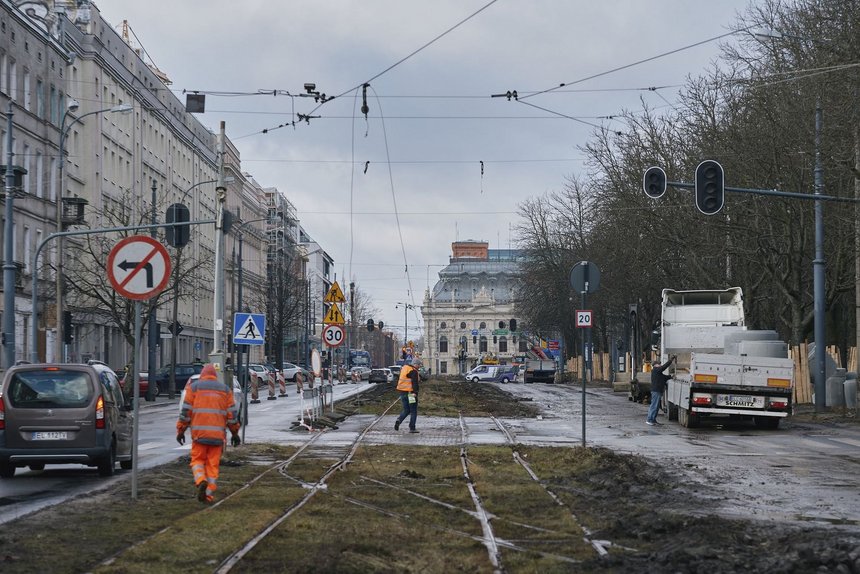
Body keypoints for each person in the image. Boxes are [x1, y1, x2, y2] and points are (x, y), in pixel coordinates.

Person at [176, 363, 241, 503]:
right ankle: (208, 494)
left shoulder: (193, 388)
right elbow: (232, 416)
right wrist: (235, 433)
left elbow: (185, 413)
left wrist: (181, 430)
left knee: (197, 461)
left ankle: (200, 480)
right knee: (213, 465)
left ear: (203, 375)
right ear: (215, 375)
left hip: (199, 436)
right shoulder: (225, 390)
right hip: (217, 437)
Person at [647, 355, 676, 426]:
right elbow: (663, 367)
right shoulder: (656, 370)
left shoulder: (657, 372)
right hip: (656, 391)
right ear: (655, 365)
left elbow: (664, 378)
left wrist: (670, 377)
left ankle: (653, 420)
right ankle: (650, 419)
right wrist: (670, 360)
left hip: (657, 391)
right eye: (659, 364)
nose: (660, 365)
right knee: (654, 406)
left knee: (656, 406)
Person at [394, 358, 421, 433]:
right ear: (415, 364)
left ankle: (399, 420)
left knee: (406, 409)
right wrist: (415, 392)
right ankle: (412, 428)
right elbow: (414, 383)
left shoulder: (405, 368)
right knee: (413, 411)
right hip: (411, 394)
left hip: (402, 392)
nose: (419, 366)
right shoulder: (413, 371)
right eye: (419, 365)